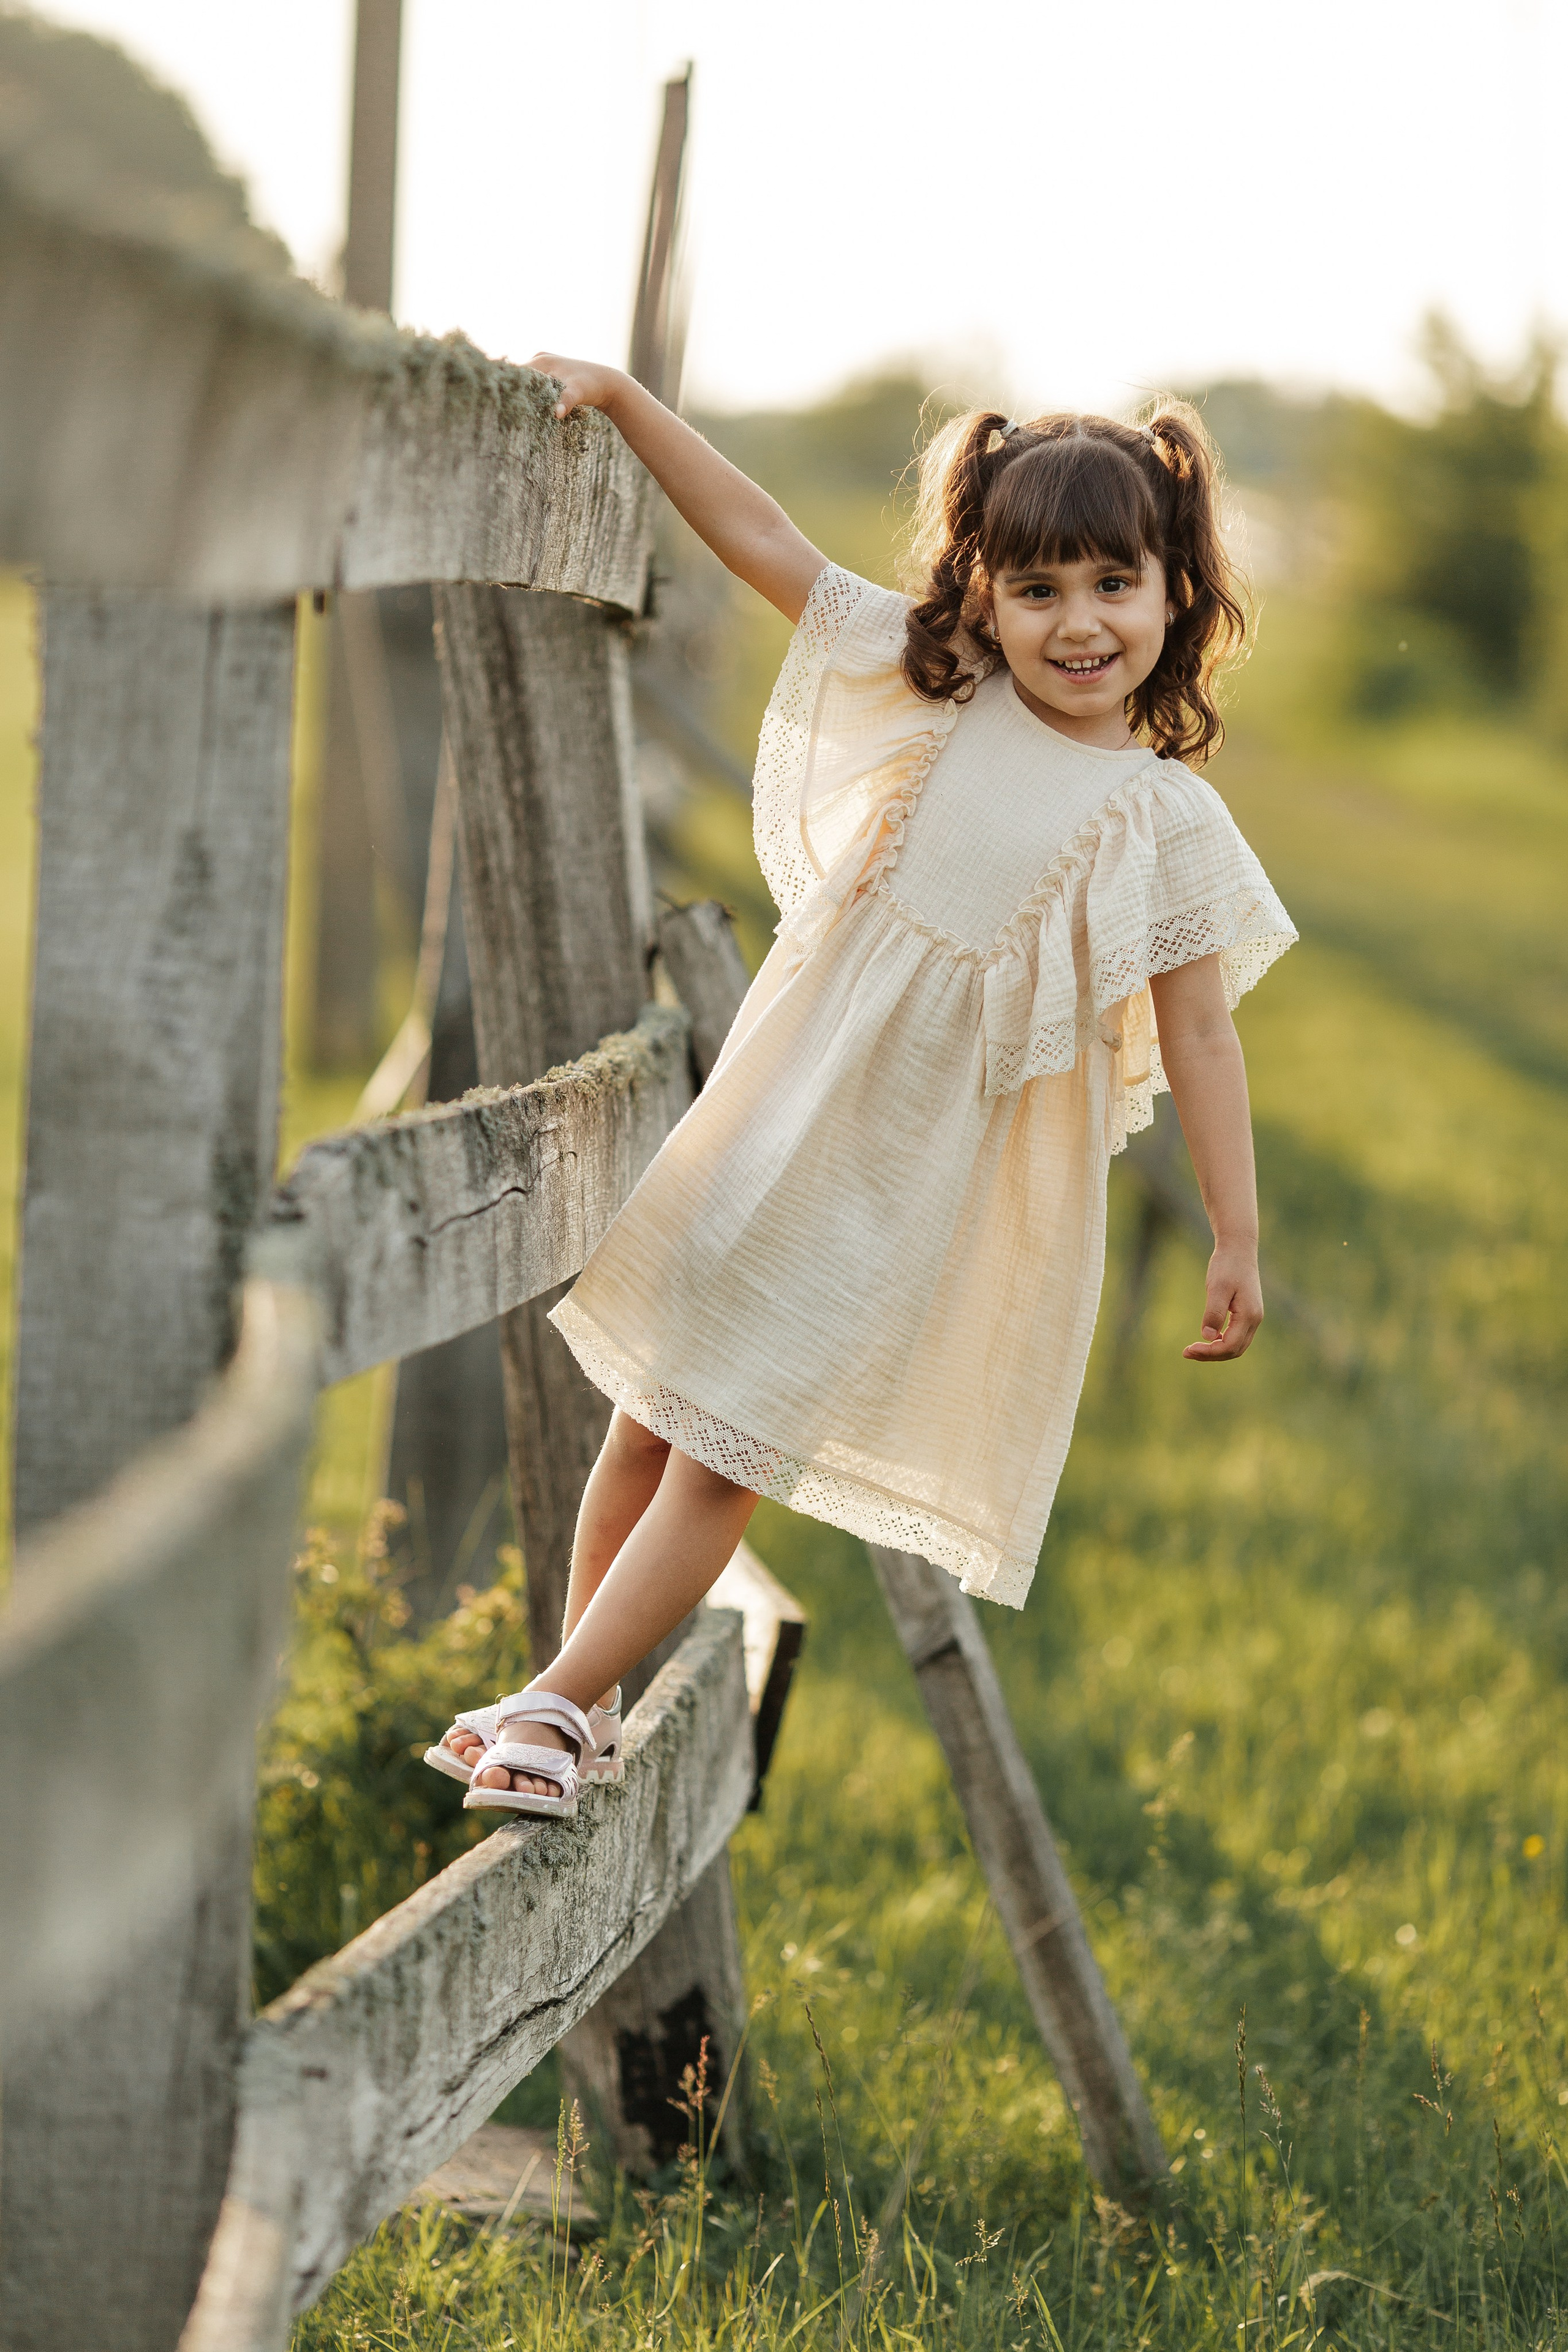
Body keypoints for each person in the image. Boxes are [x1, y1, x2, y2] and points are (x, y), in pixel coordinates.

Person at [423, 363, 1297, 1816]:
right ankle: (574, 1696)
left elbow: (1200, 1036)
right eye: (1034, 590)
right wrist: (636, 406)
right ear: (982, 598)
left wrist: (1235, 1234)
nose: (1076, 623)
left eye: (1110, 583)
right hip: (772, 1121)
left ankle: (555, 1703)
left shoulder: (1161, 819)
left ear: (1173, 593)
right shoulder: (935, 689)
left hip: (898, 1188)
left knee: (728, 1448)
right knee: (652, 1411)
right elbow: (763, 540)